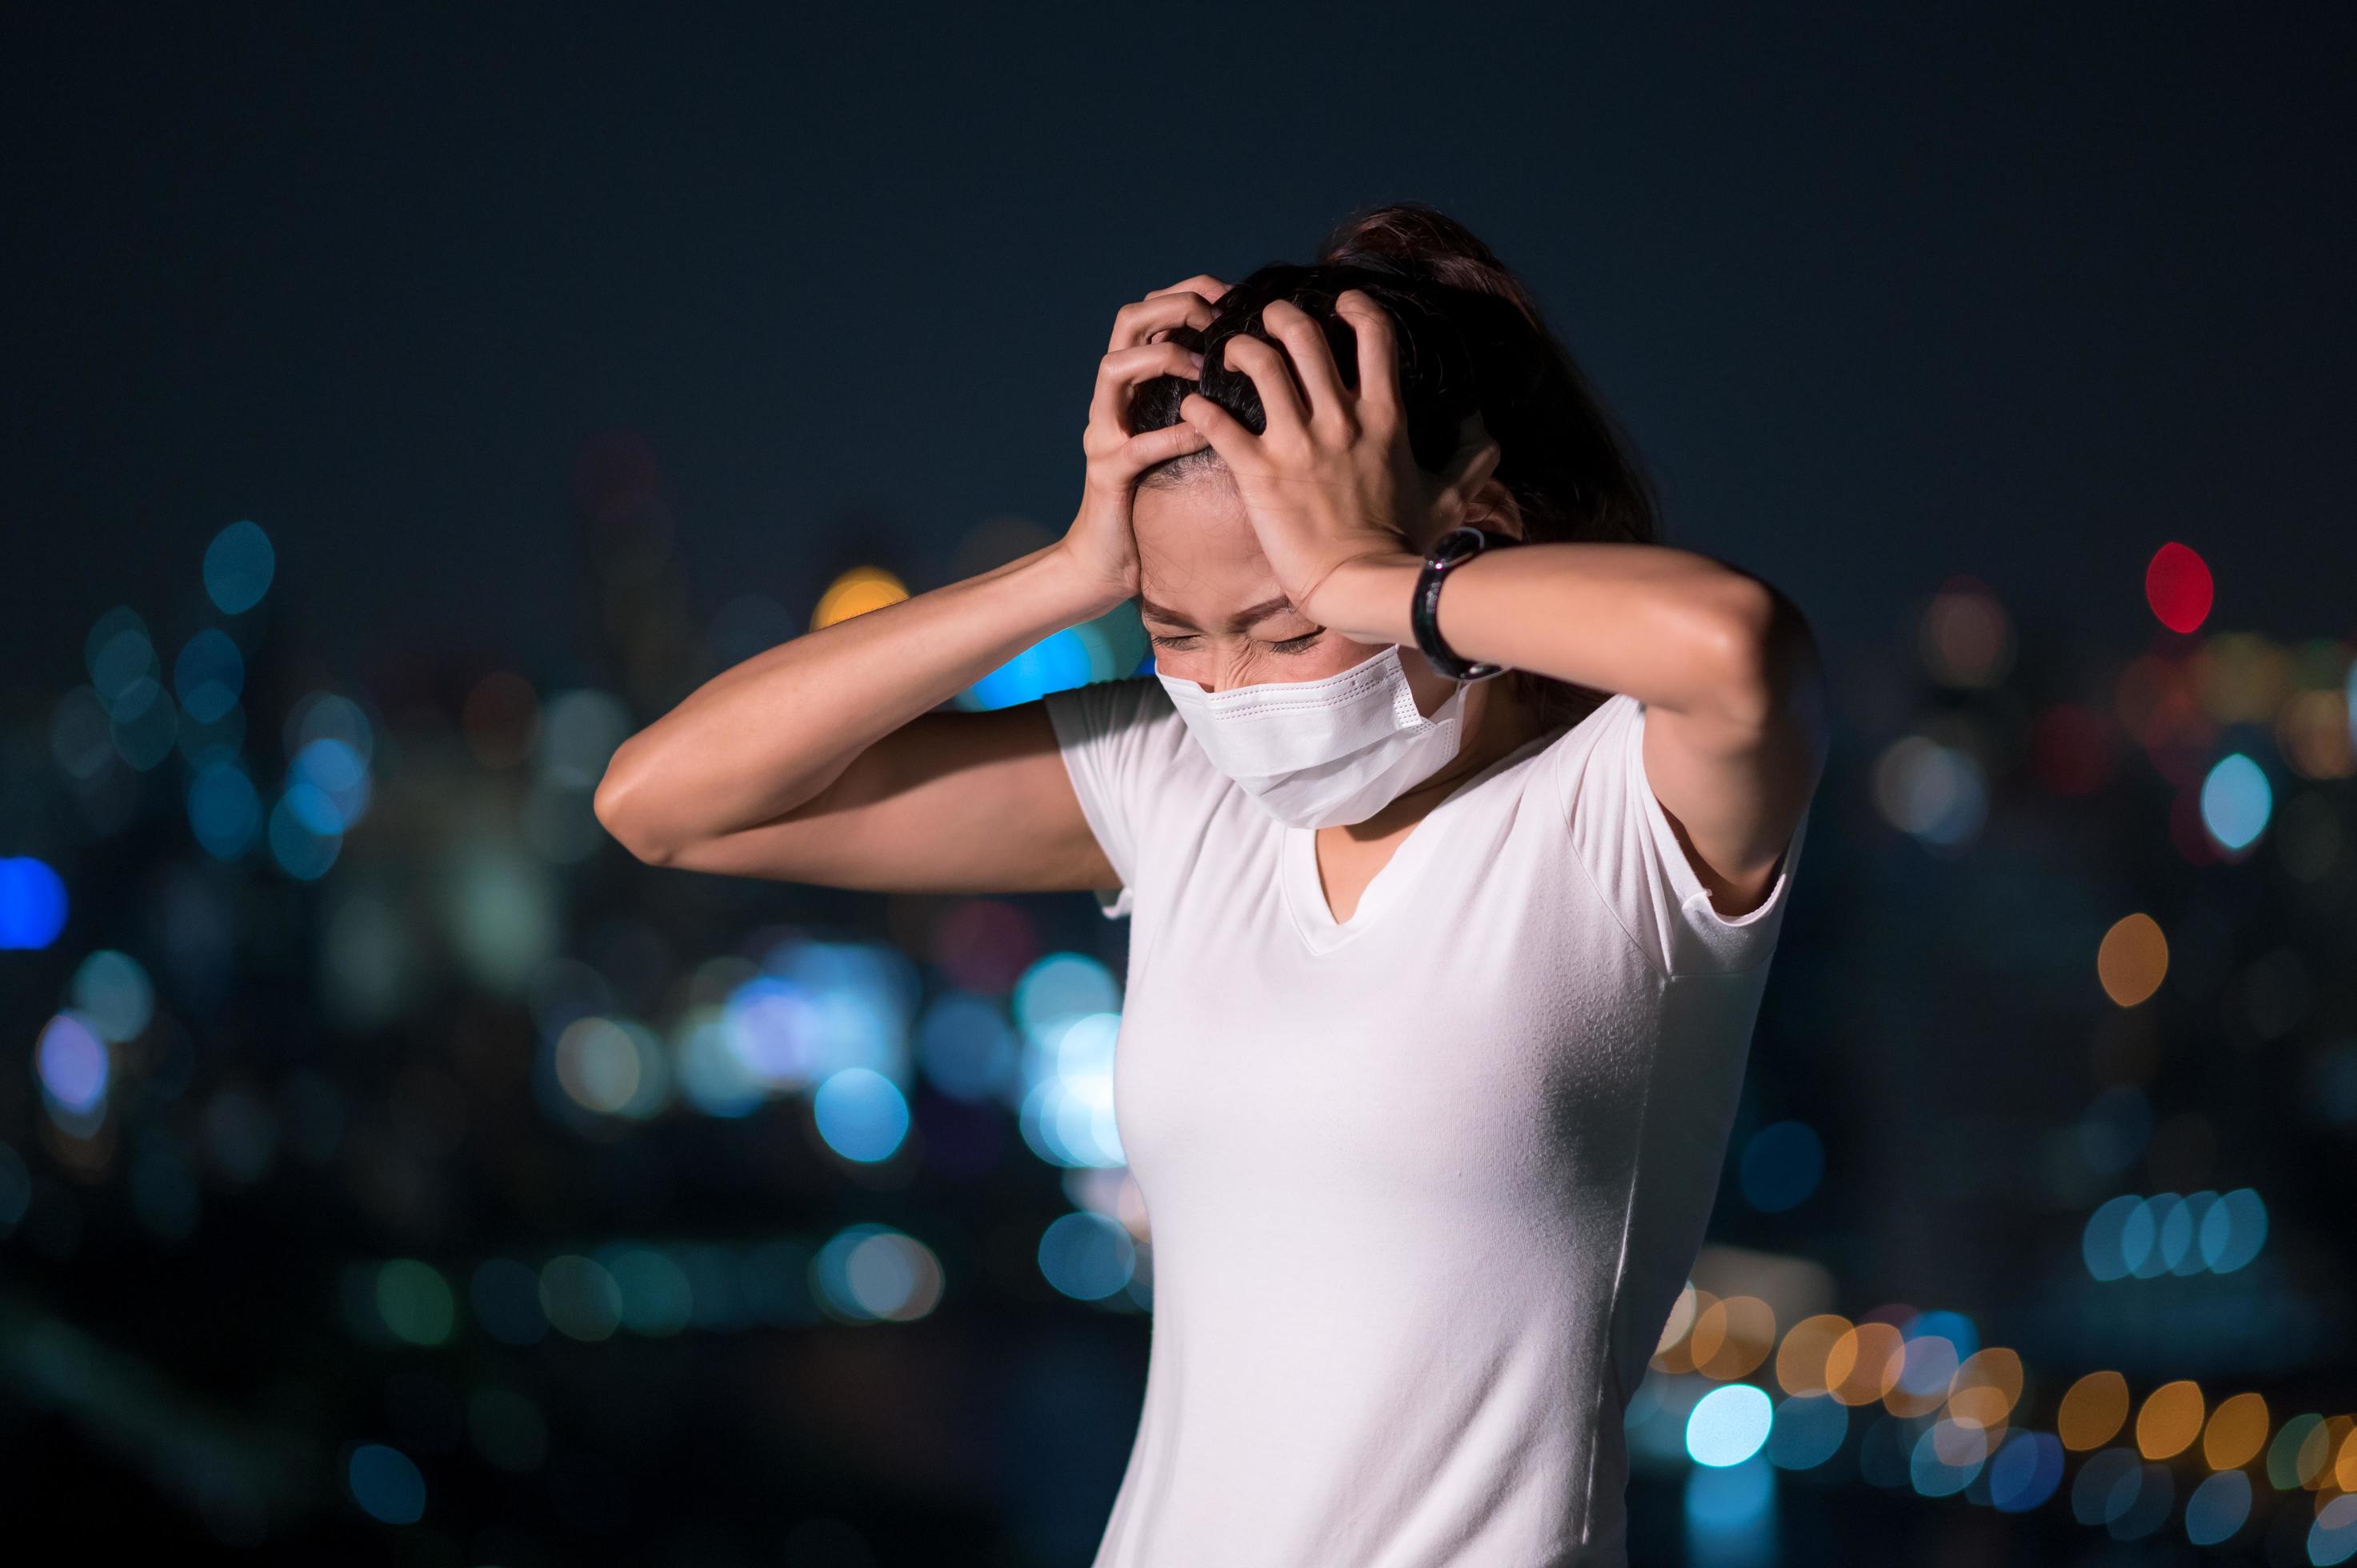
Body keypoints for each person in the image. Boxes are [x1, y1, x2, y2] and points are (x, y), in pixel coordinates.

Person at [593, 201, 1827, 1568]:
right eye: (1178, 633)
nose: (1230, 692)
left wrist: (1371, 580)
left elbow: (1739, 646)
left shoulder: (1614, 818)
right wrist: (1072, 570)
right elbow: (664, 804)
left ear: (1462, 540)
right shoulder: (1179, 788)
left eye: (1290, 623)